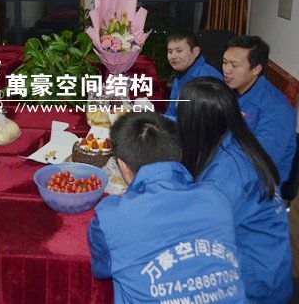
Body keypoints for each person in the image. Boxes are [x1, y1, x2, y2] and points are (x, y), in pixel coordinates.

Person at [88, 112, 246, 303]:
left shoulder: (111, 217)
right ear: (179, 153)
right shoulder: (217, 199)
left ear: (122, 166)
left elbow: (101, 269)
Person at [177, 77, 293, 303]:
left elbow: (198, 238)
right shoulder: (234, 139)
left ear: (195, 123)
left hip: (255, 285)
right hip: (269, 265)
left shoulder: (224, 181)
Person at [222, 35, 297, 183]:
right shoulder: (231, 91)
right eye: (224, 62)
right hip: (229, 165)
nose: (226, 70)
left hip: (257, 183)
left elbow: (260, 163)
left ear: (256, 69)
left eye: (234, 65)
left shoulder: (277, 109)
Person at [165, 29, 223, 117]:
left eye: (179, 51)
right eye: (170, 52)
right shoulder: (179, 75)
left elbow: (199, 121)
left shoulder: (207, 79)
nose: (173, 56)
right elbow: (171, 112)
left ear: (196, 51)